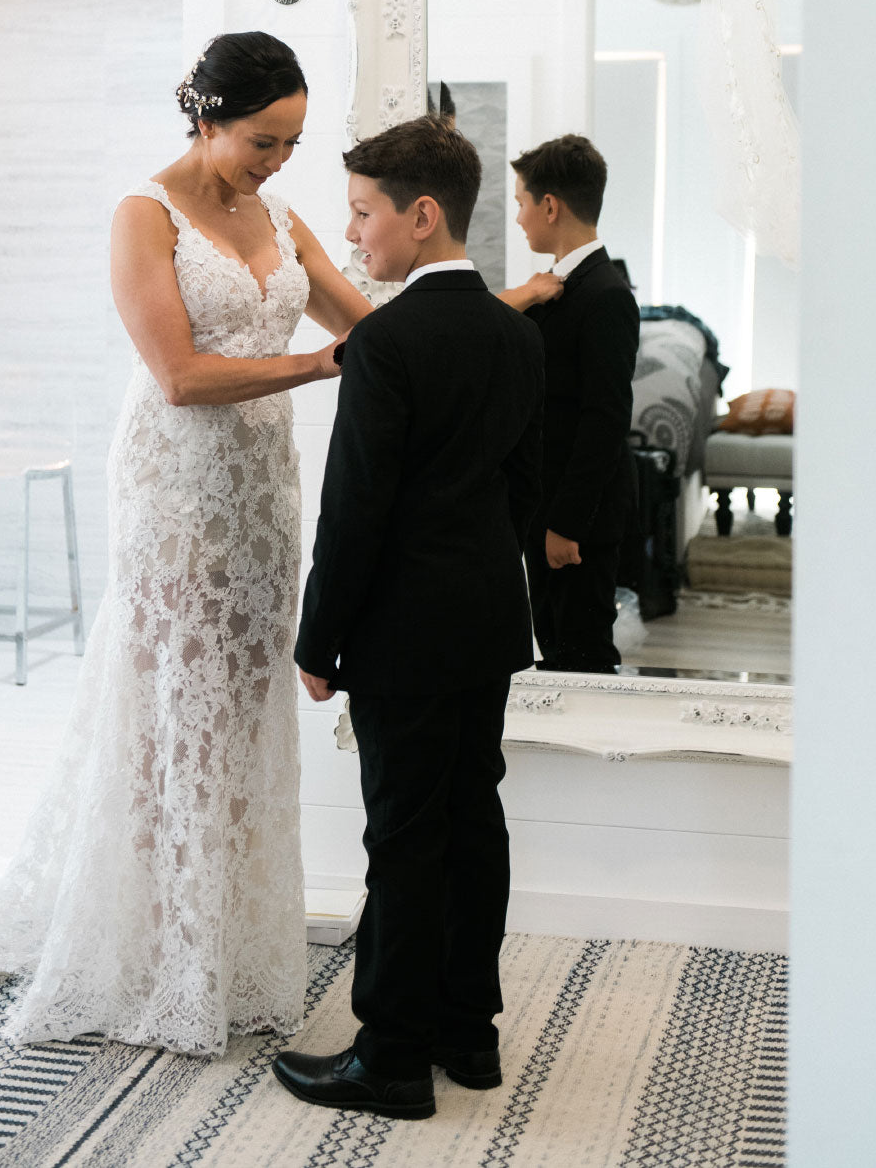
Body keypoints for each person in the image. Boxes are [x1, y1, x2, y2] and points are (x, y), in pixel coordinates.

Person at [0, 31, 372, 1054]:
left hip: (263, 495)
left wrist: (486, 314)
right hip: (176, 490)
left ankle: (236, 945)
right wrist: (317, 366)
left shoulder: (281, 216)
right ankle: (165, 951)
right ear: (204, 118)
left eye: (291, 142)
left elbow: (366, 323)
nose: (278, 161)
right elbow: (181, 377)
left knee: (243, 713)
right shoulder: (141, 215)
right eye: (262, 140)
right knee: (173, 714)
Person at [272, 115, 546, 1120]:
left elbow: (356, 511)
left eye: (362, 214)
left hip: (403, 631)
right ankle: (468, 1036)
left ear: (421, 216)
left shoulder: (385, 343)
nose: (353, 237)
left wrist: (318, 636)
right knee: (473, 823)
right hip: (484, 621)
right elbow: (523, 491)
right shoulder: (518, 334)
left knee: (403, 837)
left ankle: (388, 1058)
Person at [499, 133, 639, 675]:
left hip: (576, 516)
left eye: (520, 203)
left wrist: (567, 524)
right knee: (555, 647)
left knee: (583, 656)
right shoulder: (553, 285)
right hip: (547, 505)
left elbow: (604, 419)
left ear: (550, 206)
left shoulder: (605, 295)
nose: (518, 218)